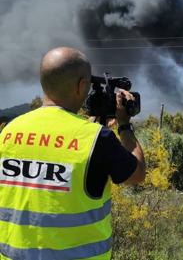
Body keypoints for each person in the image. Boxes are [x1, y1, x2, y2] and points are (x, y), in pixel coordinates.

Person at [0, 47, 145, 260]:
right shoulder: (97, 139)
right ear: (82, 85)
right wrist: (124, 125)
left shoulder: (10, 130)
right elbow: (137, 174)